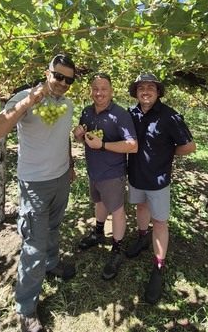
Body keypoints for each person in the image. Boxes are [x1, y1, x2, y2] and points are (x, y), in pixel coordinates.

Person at [0, 55, 77, 332]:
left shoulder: (68, 104)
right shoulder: (25, 98)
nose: (63, 83)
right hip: (35, 184)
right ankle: (25, 309)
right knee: (34, 245)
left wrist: (70, 165)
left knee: (54, 227)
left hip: (61, 178)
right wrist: (28, 101)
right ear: (47, 73)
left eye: (69, 80)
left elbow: (64, 136)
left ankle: (51, 264)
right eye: (58, 76)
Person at [124, 73, 197, 304]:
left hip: (158, 181)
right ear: (136, 92)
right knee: (140, 207)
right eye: (141, 88)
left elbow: (189, 146)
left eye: (150, 88)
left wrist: (167, 153)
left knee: (159, 222)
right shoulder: (130, 114)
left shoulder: (170, 117)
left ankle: (158, 267)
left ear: (158, 92)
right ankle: (142, 238)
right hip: (136, 176)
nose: (145, 92)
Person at [72, 73, 138, 281]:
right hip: (94, 171)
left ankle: (117, 250)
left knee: (117, 211)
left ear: (111, 91)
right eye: (95, 89)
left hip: (112, 173)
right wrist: (78, 135)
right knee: (99, 202)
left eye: (103, 89)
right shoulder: (87, 112)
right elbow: (84, 139)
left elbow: (132, 146)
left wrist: (103, 145)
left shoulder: (120, 115)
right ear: (91, 91)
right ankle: (98, 233)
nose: (99, 93)